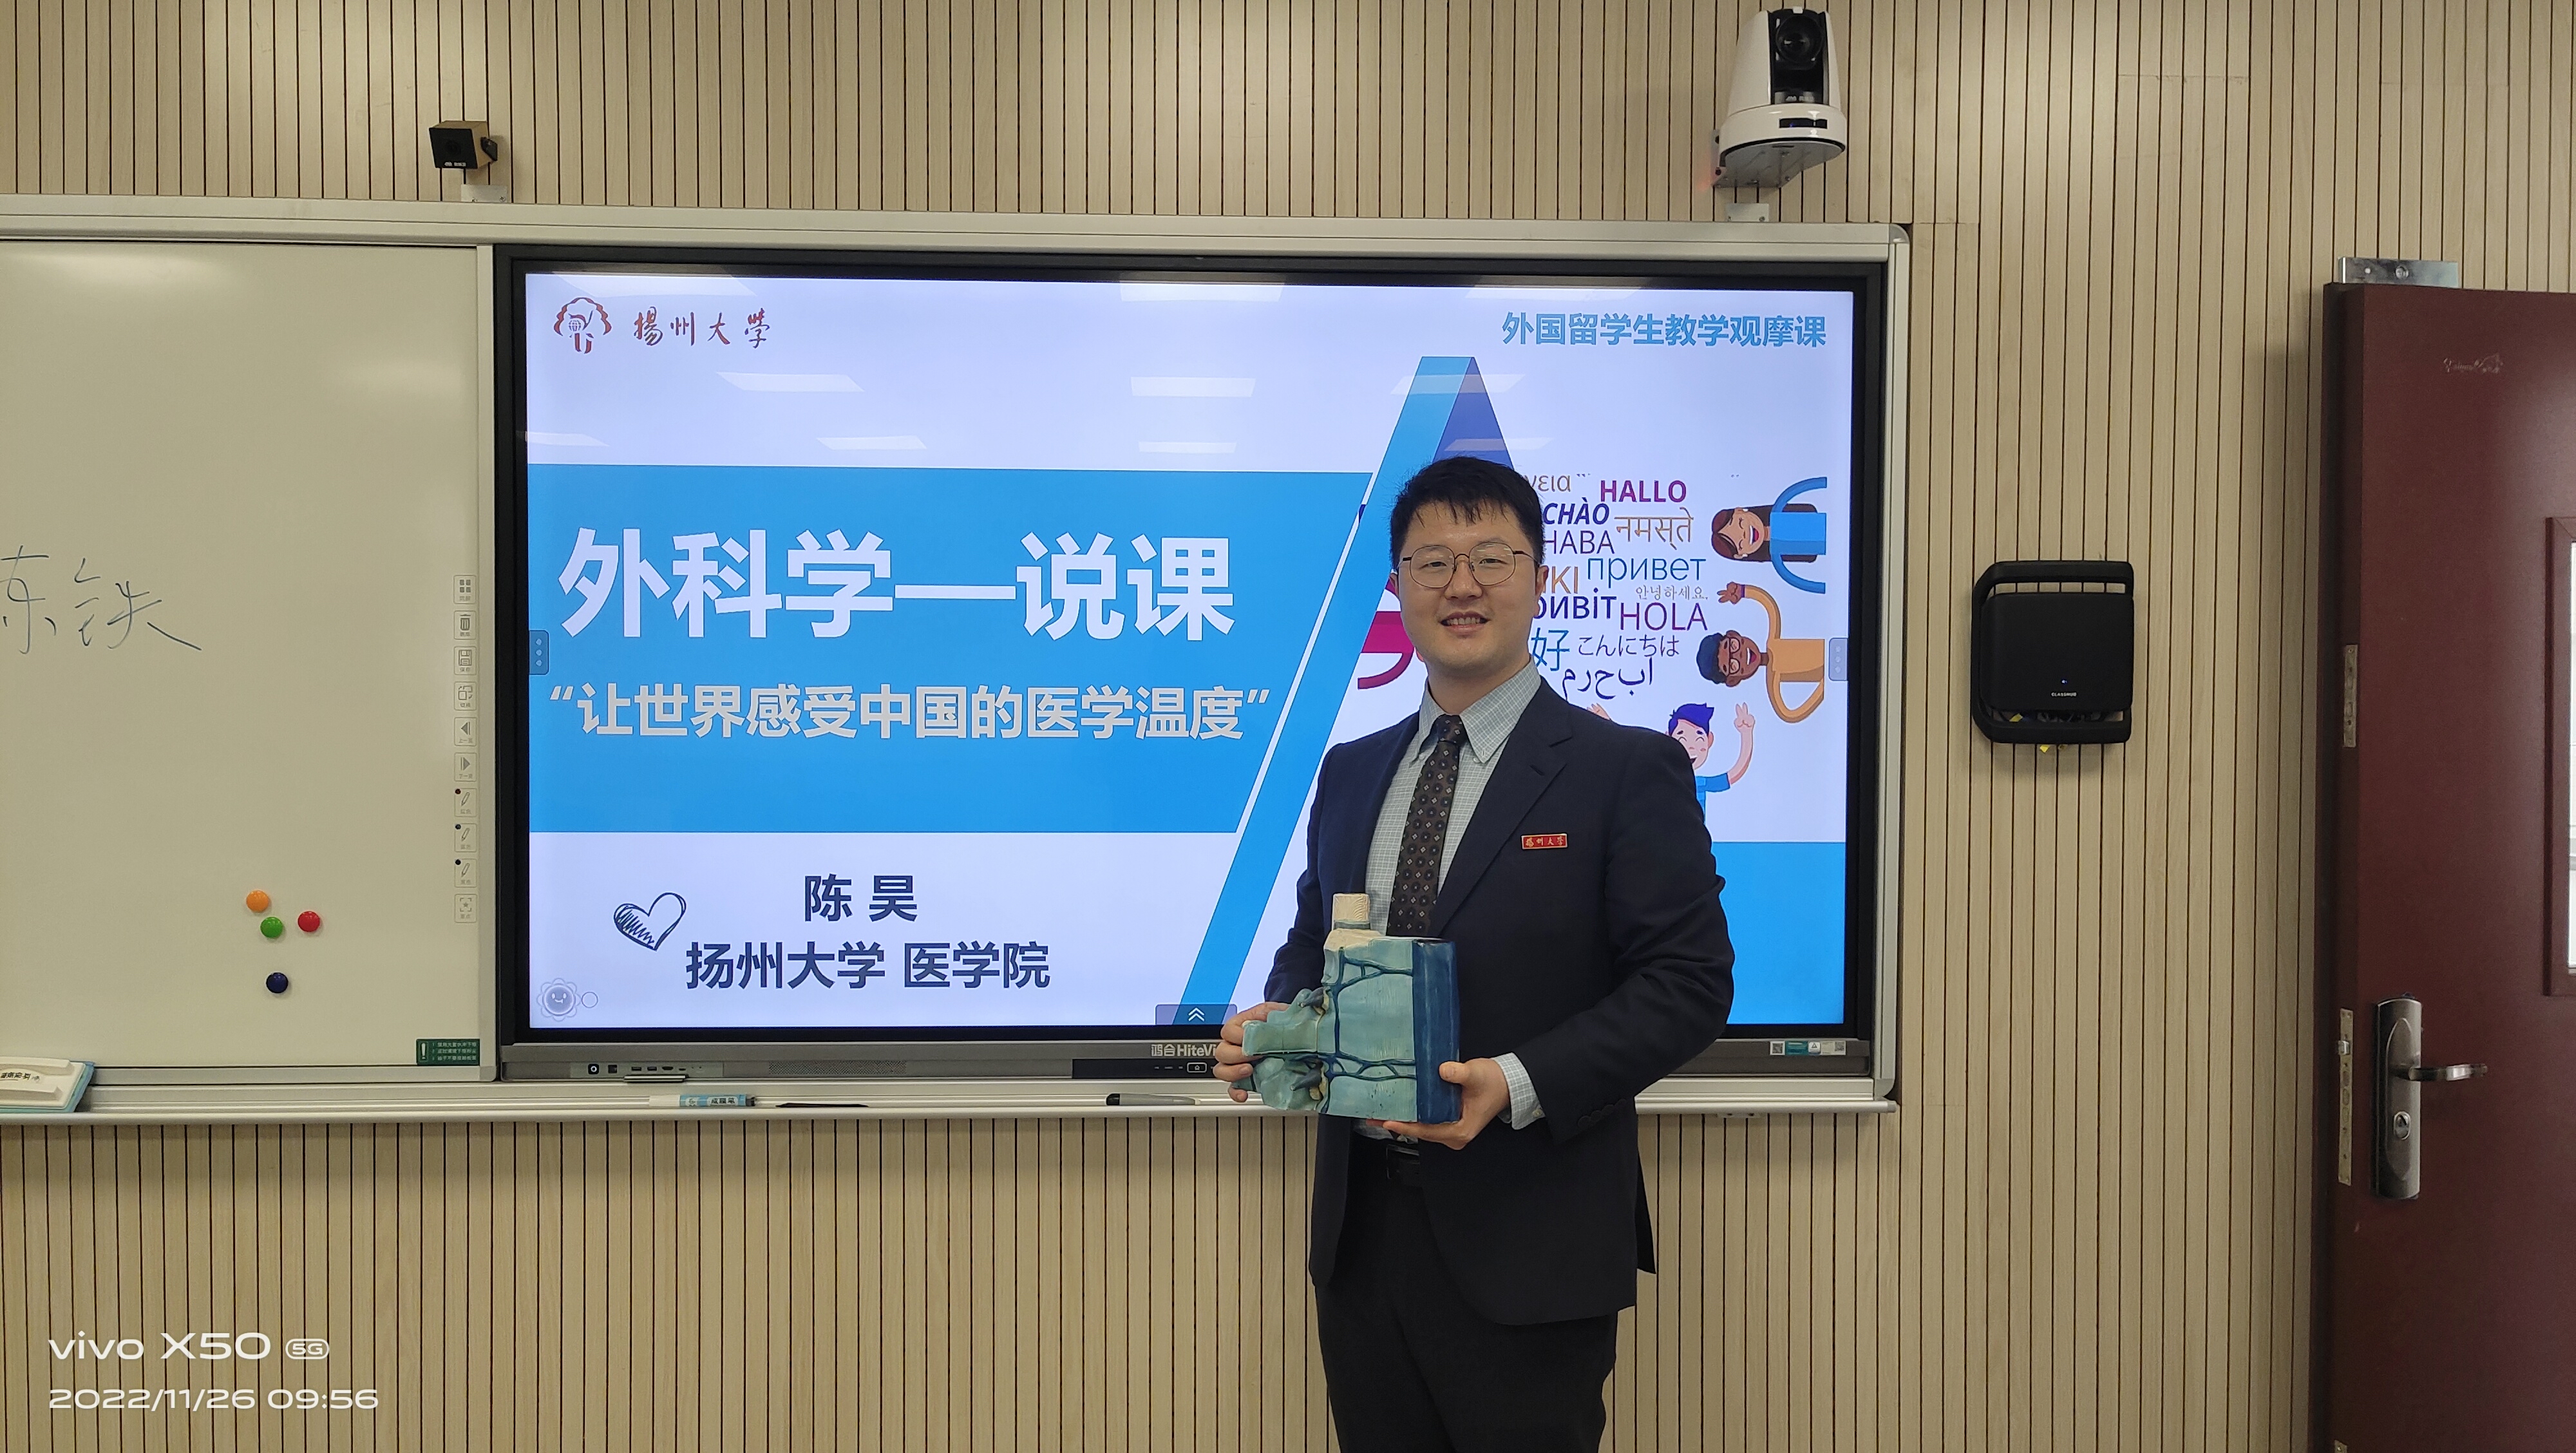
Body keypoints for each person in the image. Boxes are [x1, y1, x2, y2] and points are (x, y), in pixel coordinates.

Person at [1214, 456, 1736, 1453]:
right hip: (1363, 1240)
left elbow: (1690, 985)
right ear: (1398, 587)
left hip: (1532, 1240)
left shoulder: (1624, 768)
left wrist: (1515, 1081)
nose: (1462, 585)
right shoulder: (1353, 771)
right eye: (1433, 562)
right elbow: (1312, 950)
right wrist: (1278, 1027)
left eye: (1491, 558)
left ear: (1540, 579)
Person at [1694, 580, 1829, 723]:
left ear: (1734, 635)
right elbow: (1790, 715)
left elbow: (1769, 605)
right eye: (1733, 665)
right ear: (1733, 680)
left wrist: (1743, 591)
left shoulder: (1773, 640)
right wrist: (1826, 685)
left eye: (1733, 645)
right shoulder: (1773, 681)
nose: (1740, 655)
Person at [1709, 475, 1829, 594]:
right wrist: (1744, 592)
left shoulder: (1782, 503)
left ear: (1740, 510)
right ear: (1740, 556)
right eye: (1740, 544)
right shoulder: (1779, 563)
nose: (1745, 534)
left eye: (1741, 522)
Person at [1668, 701, 1757, 810]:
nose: (1691, 747)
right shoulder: (1664, 779)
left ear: (1709, 740)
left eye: (1699, 739)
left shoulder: (1700, 783)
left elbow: (1733, 774)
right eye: (1682, 738)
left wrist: (1746, 733)